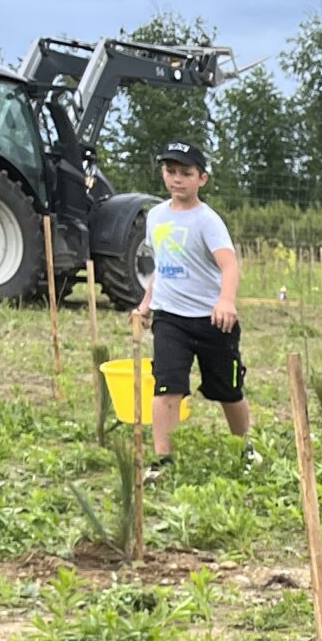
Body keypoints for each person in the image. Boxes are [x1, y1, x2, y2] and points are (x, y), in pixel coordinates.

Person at [130, 139, 253, 476]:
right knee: (167, 387)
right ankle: (163, 461)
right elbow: (162, 266)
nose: (177, 179)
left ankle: (246, 449)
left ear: (202, 179)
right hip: (170, 319)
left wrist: (226, 301)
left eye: (185, 173)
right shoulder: (156, 216)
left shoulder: (207, 221)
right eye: (170, 171)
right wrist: (145, 305)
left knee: (228, 391)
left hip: (213, 320)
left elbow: (229, 265)